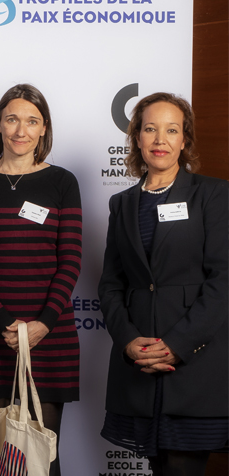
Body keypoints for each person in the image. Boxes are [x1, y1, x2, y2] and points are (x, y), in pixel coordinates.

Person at [0, 84, 82, 476]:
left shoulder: (62, 182)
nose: (20, 130)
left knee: (42, 458)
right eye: (12, 119)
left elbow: (71, 260)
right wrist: (5, 323)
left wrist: (42, 324)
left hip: (50, 335)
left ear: (44, 129)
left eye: (31, 121)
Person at [98, 92, 228, 476]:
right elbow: (110, 283)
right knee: (158, 468)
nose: (160, 140)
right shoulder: (121, 204)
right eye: (150, 129)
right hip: (138, 366)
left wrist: (178, 345)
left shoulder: (214, 195)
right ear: (136, 137)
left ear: (184, 139)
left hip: (195, 365)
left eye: (171, 130)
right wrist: (127, 341)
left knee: (181, 468)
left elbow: (224, 279)